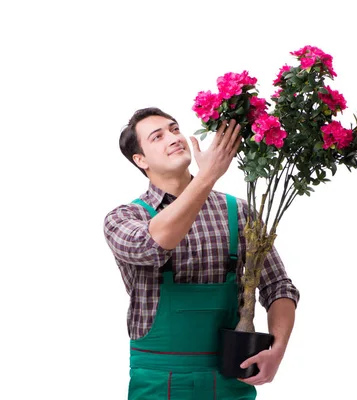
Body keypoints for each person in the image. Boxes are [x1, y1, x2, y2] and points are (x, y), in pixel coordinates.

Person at [103, 107, 300, 399]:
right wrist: (207, 177)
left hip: (232, 375)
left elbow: (278, 286)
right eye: (157, 136)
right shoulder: (125, 218)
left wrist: (278, 350)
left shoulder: (238, 212)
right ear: (140, 159)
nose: (173, 138)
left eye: (174, 129)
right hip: (159, 379)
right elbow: (153, 247)